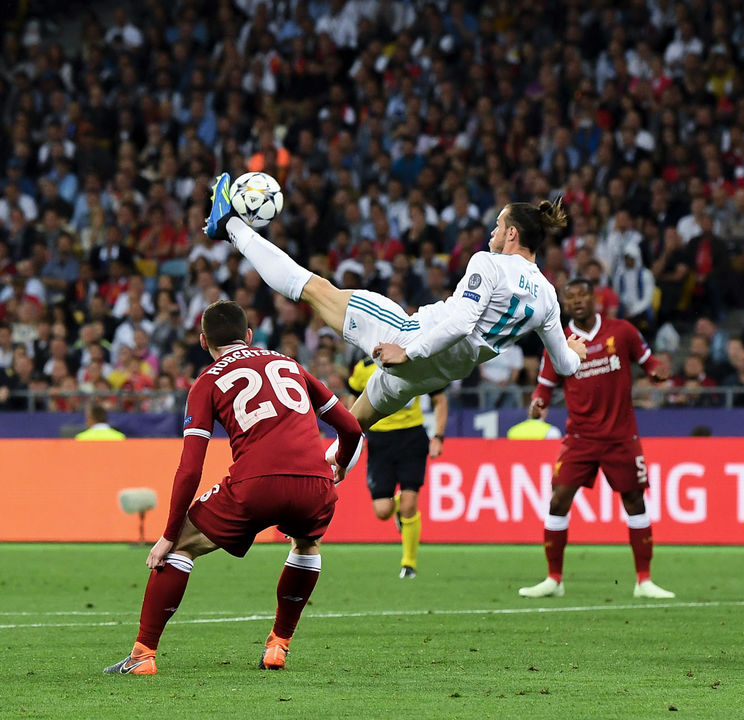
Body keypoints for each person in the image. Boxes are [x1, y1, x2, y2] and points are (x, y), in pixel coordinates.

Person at [205, 174, 586, 438]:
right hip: (433, 377)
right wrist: (576, 351)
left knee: (316, 290)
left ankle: (230, 226)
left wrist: (407, 350)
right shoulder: (548, 295)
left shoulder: (488, 263)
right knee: (351, 430)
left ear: (513, 234)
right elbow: (566, 365)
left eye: (499, 226)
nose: (493, 232)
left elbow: (460, 324)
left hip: (410, 339)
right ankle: (314, 492)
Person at [104, 300, 362, 674]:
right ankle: (278, 646)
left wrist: (168, 533)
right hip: (315, 483)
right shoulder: (291, 364)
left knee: (180, 547)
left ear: (203, 340)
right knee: (307, 544)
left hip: (256, 483)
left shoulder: (206, 381)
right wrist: (339, 463)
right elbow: (351, 429)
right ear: (250, 336)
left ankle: (143, 655)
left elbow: (190, 468)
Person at [518, 277, 674, 599]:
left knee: (634, 500)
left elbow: (649, 360)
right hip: (580, 437)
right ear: (564, 303)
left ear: (594, 299)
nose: (577, 301)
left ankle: (644, 580)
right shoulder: (559, 340)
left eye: (582, 295)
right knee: (558, 499)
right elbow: (545, 386)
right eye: (570, 296)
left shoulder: (622, 331)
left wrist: (658, 370)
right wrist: (537, 403)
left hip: (620, 435)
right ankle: (554, 579)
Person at [348, 357, 447, 579]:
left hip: (412, 436)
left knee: (411, 505)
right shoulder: (363, 368)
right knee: (382, 510)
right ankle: (400, 506)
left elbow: (440, 399)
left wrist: (438, 436)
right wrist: (353, 434)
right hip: (379, 440)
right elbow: (352, 400)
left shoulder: (418, 361)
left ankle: (408, 564)